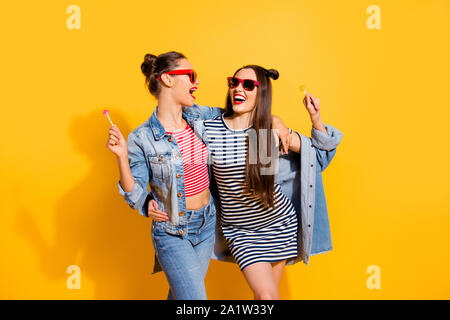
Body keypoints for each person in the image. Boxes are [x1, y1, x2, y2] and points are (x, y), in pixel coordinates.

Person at [106, 52, 291, 300]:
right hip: (172, 229)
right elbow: (134, 191)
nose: (197, 83)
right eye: (191, 76)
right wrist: (121, 157)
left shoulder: (200, 118)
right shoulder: (141, 137)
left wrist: (275, 121)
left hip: (206, 224)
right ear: (168, 80)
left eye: (196, 77)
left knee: (181, 297)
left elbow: (245, 114)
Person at [197, 65, 342, 299]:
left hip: (279, 224)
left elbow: (318, 157)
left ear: (261, 92)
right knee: (267, 296)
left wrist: (315, 118)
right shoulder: (210, 128)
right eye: (234, 82)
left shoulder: (269, 130)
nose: (238, 88)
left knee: (266, 298)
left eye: (248, 85)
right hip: (241, 231)